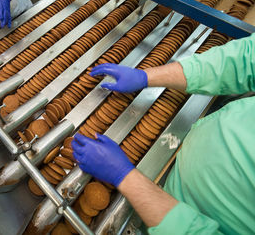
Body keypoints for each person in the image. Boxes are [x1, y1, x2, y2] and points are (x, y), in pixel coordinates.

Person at [72, 33, 255, 234]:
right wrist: (145, 77)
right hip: (186, 154)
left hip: (172, 216)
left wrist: (125, 177)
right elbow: (244, 59)